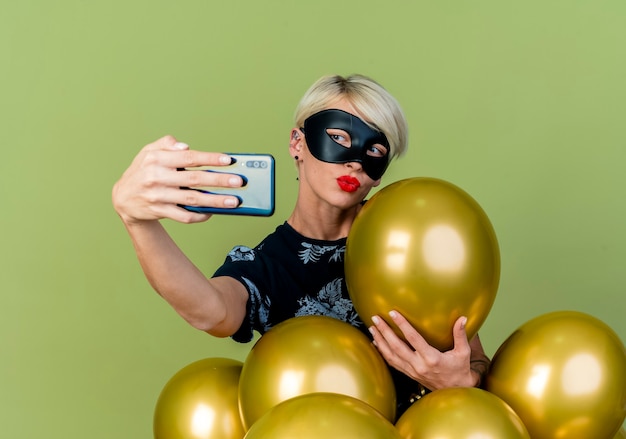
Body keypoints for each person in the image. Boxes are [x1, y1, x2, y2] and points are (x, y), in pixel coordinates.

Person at [112, 74, 490, 418]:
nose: (355, 162)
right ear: (298, 143)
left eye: (374, 150)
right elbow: (210, 312)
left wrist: (463, 382)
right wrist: (138, 222)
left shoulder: (406, 242)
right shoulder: (267, 266)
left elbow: (475, 361)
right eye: (339, 137)